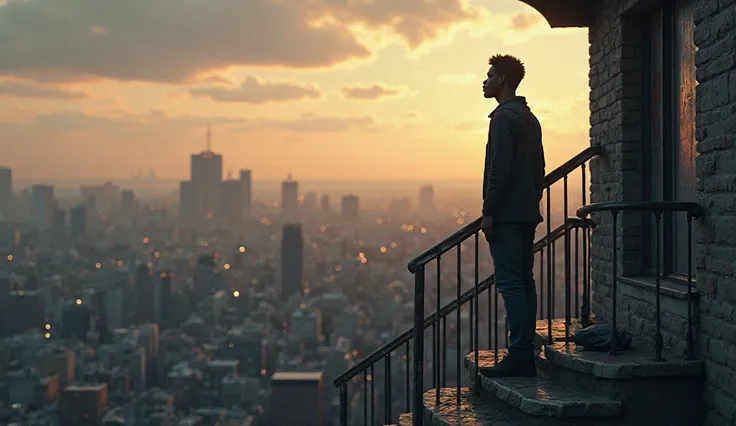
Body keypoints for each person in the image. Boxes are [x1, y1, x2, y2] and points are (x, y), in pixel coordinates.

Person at [479, 54, 545, 377]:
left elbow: (499, 170)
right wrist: (531, 202)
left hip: (506, 216)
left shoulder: (502, 119)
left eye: (490, 75)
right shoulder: (530, 119)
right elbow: (540, 170)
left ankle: (519, 353)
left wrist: (489, 212)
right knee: (524, 279)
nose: (485, 81)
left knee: (510, 282)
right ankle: (526, 350)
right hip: (526, 214)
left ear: (503, 80)